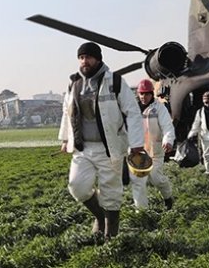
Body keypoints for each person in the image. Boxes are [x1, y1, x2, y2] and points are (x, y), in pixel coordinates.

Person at [59, 42, 146, 239]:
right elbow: (67, 112)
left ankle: (111, 236)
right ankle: (99, 216)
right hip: (83, 148)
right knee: (77, 186)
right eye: (81, 57)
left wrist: (137, 143)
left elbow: (132, 112)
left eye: (88, 57)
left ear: (98, 59)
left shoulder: (114, 81)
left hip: (110, 147)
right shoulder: (74, 83)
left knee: (111, 192)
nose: (84, 61)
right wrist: (65, 139)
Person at [129, 79, 176, 210]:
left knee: (156, 178)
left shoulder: (159, 108)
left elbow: (168, 127)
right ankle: (142, 211)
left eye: (147, 94)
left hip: (155, 151)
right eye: (141, 94)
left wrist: (168, 141)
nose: (144, 97)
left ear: (152, 94)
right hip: (137, 152)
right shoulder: (131, 109)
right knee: (138, 182)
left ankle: (168, 197)